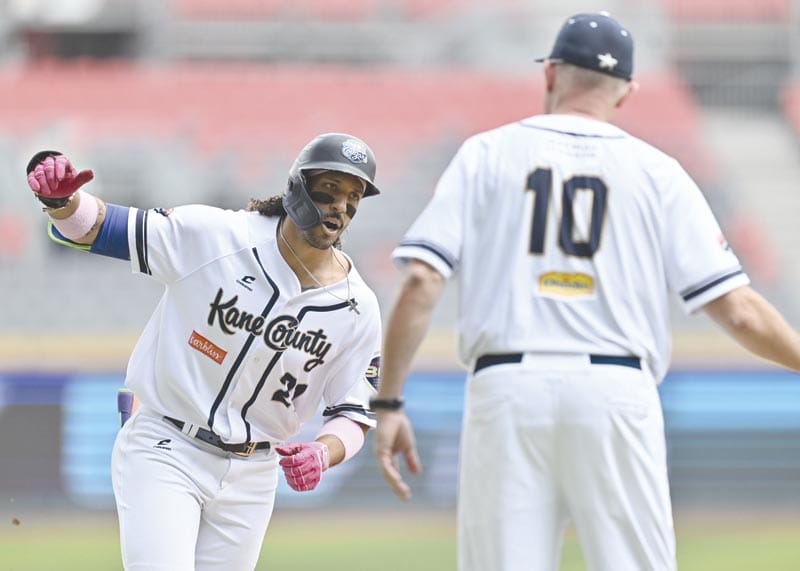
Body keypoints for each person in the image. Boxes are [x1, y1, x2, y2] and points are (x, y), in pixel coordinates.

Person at [371, 12, 800, 571]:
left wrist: (388, 401)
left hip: (507, 389)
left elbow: (424, 277)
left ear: (550, 73)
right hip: (616, 390)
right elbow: (739, 311)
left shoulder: (486, 154)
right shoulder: (658, 172)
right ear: (626, 92)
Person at [27, 132, 383, 571]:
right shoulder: (218, 236)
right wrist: (63, 202)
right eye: (329, 188)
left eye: (353, 195)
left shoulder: (356, 306)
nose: (340, 205)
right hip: (168, 444)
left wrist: (323, 452)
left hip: (253, 473)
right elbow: (101, 227)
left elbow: (354, 412)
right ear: (298, 187)